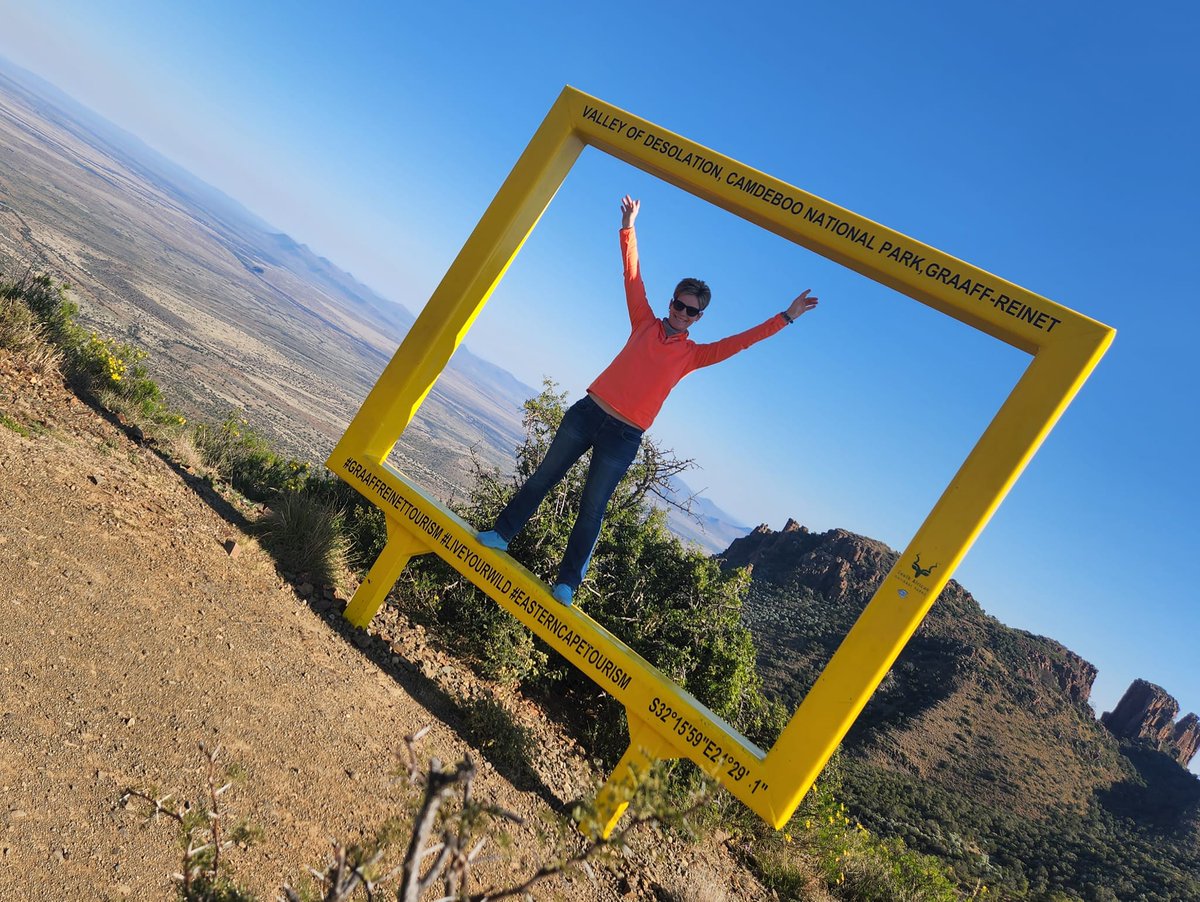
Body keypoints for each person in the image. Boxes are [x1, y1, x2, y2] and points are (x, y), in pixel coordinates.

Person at [478, 194, 819, 607]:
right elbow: (633, 276)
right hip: (588, 413)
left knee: (592, 509)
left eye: (690, 311)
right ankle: (502, 533)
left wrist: (786, 317)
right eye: (678, 304)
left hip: (623, 437)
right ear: (671, 301)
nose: (681, 313)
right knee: (542, 478)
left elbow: (740, 343)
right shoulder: (644, 322)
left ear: (699, 318)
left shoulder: (694, 355)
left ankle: (567, 583)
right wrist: (629, 228)